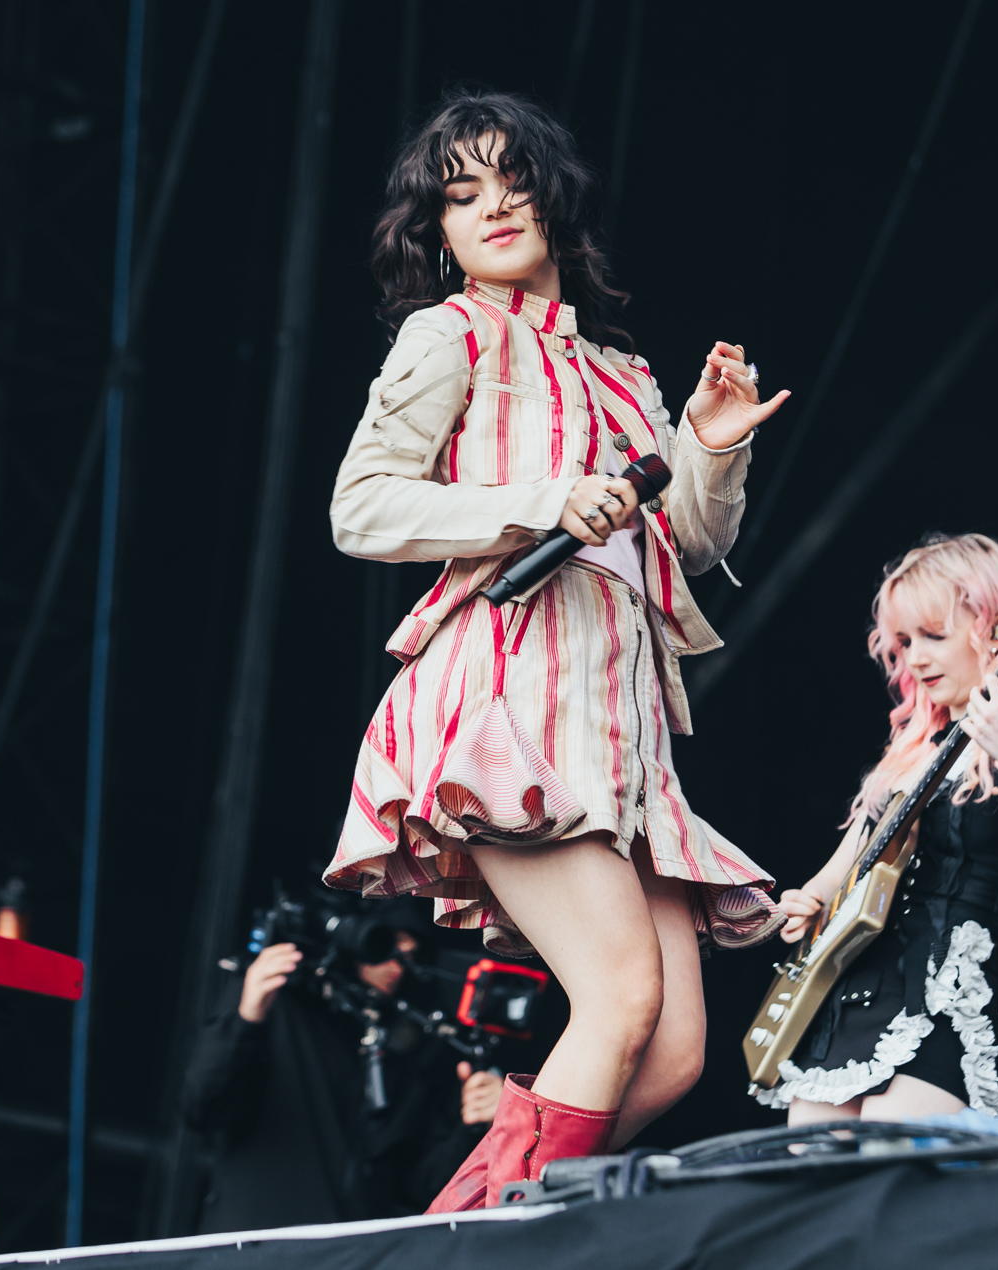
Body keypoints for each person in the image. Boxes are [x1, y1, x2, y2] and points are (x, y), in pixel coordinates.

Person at [320, 89, 789, 1211]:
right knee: (619, 999)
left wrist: (708, 451)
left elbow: (675, 546)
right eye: (459, 194)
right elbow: (361, 507)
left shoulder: (625, 374)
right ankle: (475, 1249)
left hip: (622, 748)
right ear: (436, 229)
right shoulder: (449, 336)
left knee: (673, 1052)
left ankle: (480, 1220)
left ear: (550, 194)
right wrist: (535, 504)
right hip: (508, 710)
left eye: (508, 181)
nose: (488, 209)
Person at [756, 534, 998, 1122]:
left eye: (932, 637)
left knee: (893, 1160)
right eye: (904, 642)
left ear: (992, 631)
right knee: (804, 1167)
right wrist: (804, 902)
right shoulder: (912, 751)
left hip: (950, 990)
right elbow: (843, 869)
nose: (914, 659)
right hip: (859, 984)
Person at [182, 910, 499, 1229]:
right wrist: (246, 1017)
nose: (397, 967)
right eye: (384, 947)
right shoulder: (280, 1000)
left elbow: (416, 1186)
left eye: (410, 955)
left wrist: (474, 1126)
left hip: (350, 1255)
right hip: (253, 1246)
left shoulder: (409, 1051)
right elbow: (202, 1108)